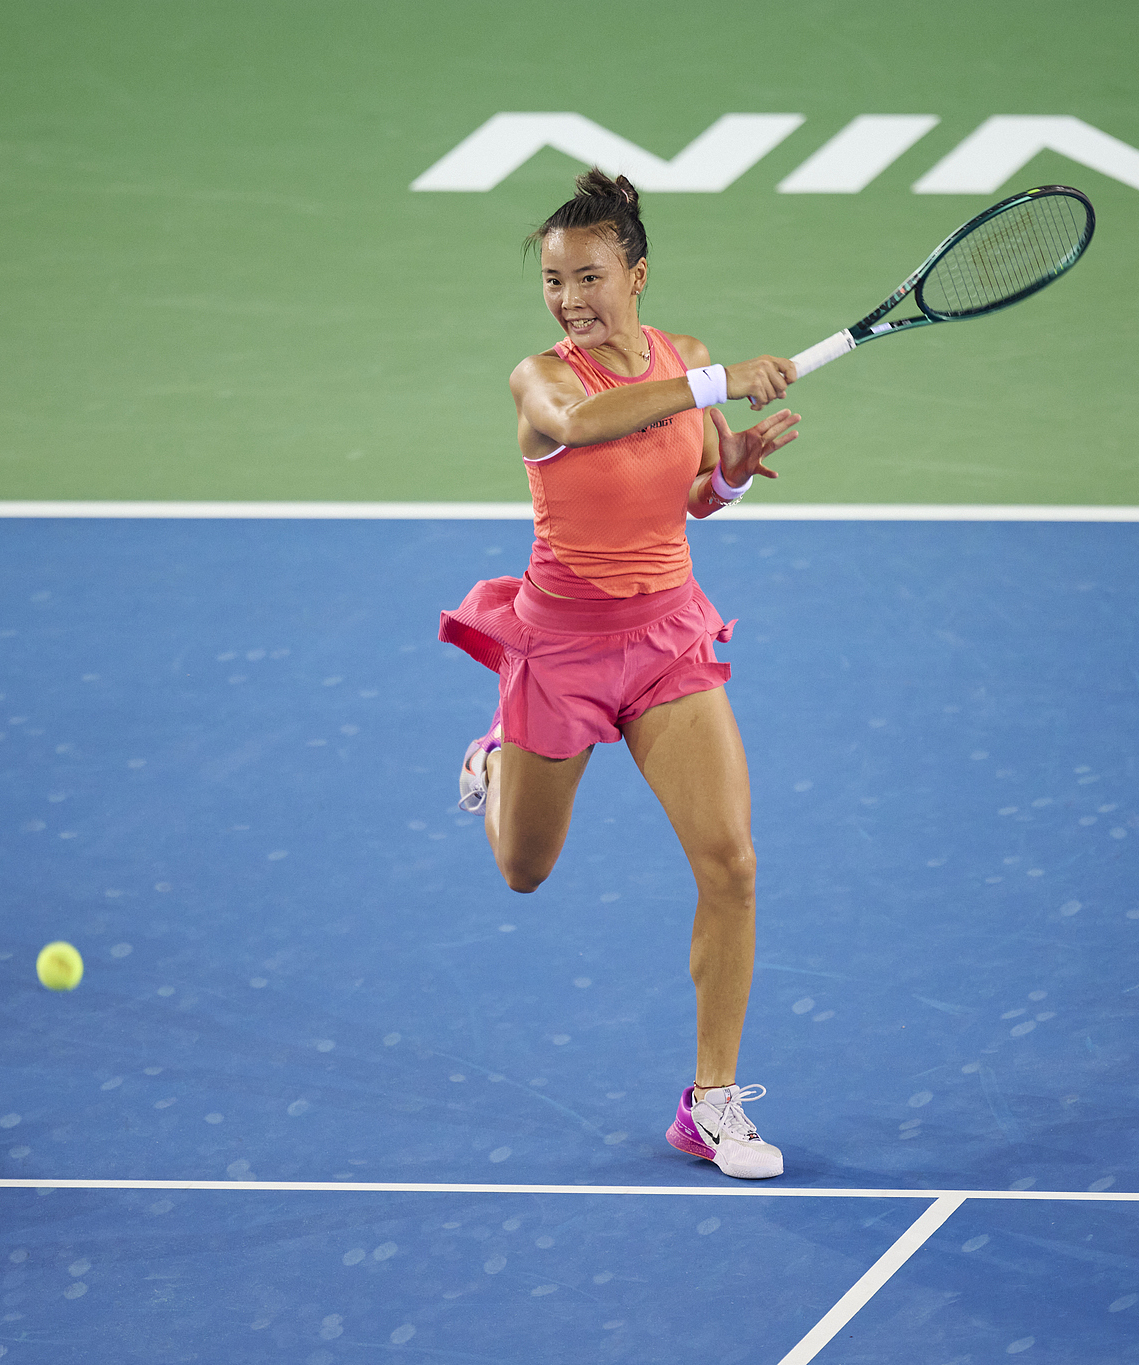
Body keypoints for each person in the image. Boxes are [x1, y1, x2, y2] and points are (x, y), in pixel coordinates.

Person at [437, 170, 801, 1180]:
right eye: (554, 281)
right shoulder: (541, 382)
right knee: (523, 869)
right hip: (560, 648)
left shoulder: (678, 360)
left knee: (729, 864)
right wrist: (719, 382)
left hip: (667, 640)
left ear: (636, 275)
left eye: (589, 276)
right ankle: (499, 759)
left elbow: (679, 495)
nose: (568, 299)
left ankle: (711, 1102)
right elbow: (590, 429)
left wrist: (725, 474)